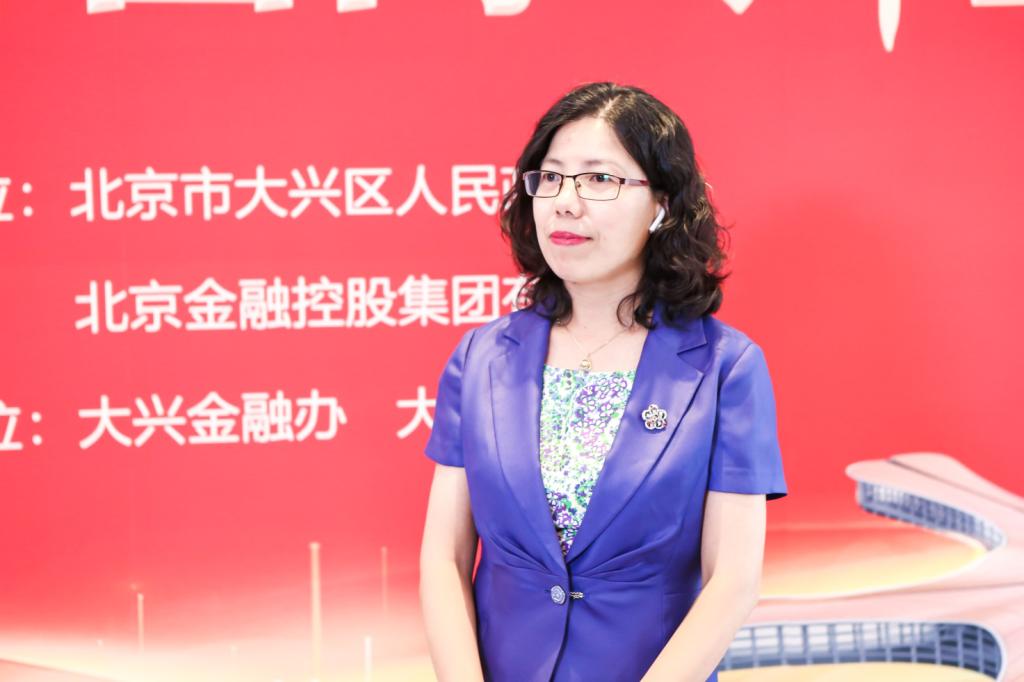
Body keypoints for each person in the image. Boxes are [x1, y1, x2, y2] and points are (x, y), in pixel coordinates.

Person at [419, 81, 788, 682]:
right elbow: (445, 556)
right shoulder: (481, 357)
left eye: (599, 179)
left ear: (661, 204)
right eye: (551, 177)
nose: (566, 202)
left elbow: (733, 581)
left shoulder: (725, 368)